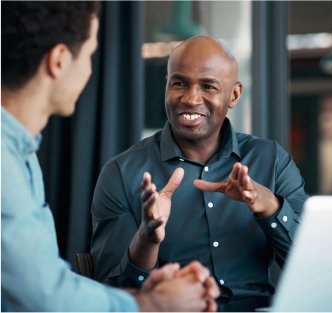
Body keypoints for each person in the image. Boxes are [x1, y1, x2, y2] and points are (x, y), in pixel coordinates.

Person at [1, 2, 219, 311]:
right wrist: (153, 305)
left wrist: (139, 297)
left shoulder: (20, 153)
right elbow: (42, 300)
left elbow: (46, 283)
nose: (90, 69)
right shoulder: (5, 166)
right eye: (90, 54)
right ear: (59, 61)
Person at [91, 35, 309, 311]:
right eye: (179, 83)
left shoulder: (271, 160)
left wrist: (271, 208)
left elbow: (309, 268)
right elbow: (114, 296)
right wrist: (146, 238)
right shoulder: (121, 173)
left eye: (208, 86)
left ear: (234, 94)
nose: (191, 98)